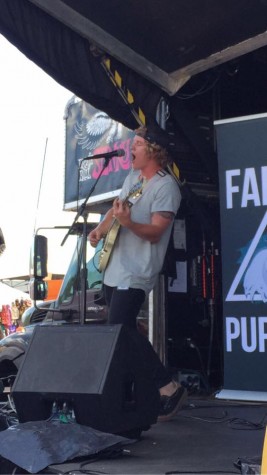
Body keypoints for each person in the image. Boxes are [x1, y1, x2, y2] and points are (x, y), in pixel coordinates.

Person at [88, 124, 187, 422]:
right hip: (115, 267)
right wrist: (100, 230)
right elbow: (115, 210)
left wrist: (129, 224)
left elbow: (157, 232)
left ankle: (167, 386)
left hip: (137, 271)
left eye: (138, 144)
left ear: (154, 150)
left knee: (120, 327)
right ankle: (136, 393)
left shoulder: (166, 186)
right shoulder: (132, 178)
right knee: (119, 333)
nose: (132, 148)